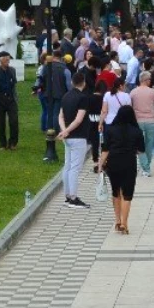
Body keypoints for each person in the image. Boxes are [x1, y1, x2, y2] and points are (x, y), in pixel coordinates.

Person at [99, 105, 145, 234]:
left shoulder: (110, 130)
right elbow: (141, 150)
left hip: (113, 163)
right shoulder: (137, 131)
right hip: (129, 164)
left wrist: (100, 164)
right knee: (127, 194)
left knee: (116, 192)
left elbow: (105, 150)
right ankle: (125, 223)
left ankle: (117, 220)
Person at [56, 70, 91, 209]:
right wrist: (67, 131)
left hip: (68, 137)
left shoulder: (65, 96)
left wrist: (64, 131)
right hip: (78, 136)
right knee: (75, 168)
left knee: (68, 165)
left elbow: (60, 116)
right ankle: (73, 197)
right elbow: (78, 119)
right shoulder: (83, 98)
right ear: (84, 83)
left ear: (72, 82)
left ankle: (67, 195)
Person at [130, 72, 154, 175]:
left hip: (138, 121)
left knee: (139, 145)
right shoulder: (153, 91)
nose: (150, 81)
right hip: (151, 121)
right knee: (149, 144)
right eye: (149, 79)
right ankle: (147, 166)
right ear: (146, 80)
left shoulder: (133, 92)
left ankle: (145, 168)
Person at [0, 51, 19, 151]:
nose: (7, 61)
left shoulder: (12, 70)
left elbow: (14, 83)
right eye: (6, 60)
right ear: (0, 60)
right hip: (0, 99)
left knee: (14, 121)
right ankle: (2, 144)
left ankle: (13, 143)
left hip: (11, 99)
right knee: (1, 123)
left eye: (8, 59)